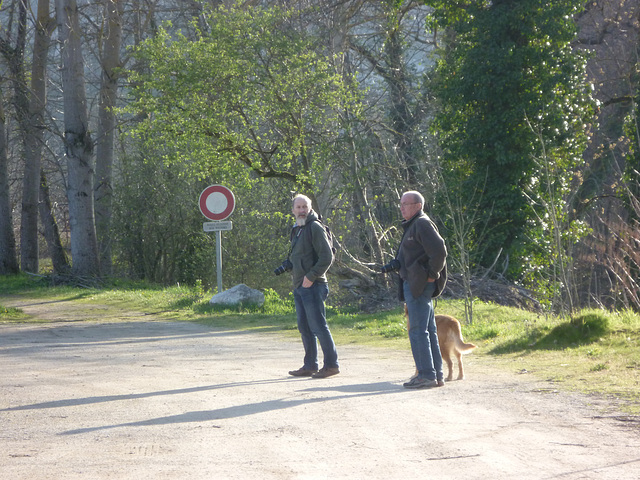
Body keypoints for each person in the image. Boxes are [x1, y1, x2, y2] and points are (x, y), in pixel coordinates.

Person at [383, 191, 447, 389]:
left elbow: (439, 250)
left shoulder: (421, 223)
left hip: (418, 285)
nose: (401, 207)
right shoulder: (413, 224)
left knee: (418, 331)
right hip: (414, 283)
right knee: (428, 330)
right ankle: (435, 375)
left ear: (418, 206)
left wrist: (431, 274)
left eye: (405, 204)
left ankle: (425, 375)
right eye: (400, 204)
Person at [284, 194, 340, 379]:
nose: (301, 210)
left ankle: (331, 365)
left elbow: (327, 257)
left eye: (304, 207)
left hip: (314, 285)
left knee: (318, 326)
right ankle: (310, 365)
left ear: (310, 208)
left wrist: (311, 276)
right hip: (300, 286)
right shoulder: (298, 229)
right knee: (305, 327)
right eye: (298, 207)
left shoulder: (315, 227)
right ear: (292, 210)